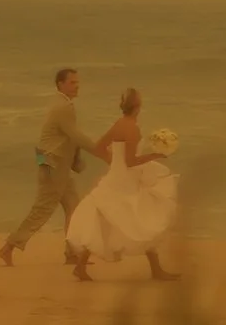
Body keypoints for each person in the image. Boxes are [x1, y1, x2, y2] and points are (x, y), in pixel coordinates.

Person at [66, 86, 181, 283]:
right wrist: (156, 155)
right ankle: (156, 270)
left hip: (116, 176)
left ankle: (80, 266)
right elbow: (131, 161)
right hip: (125, 180)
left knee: (106, 217)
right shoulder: (133, 128)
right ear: (137, 107)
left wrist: (113, 161)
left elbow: (99, 147)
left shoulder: (119, 123)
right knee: (146, 216)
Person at [0, 67, 94, 266]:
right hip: (53, 165)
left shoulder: (63, 104)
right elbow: (75, 136)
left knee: (74, 208)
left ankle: (72, 253)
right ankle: (9, 247)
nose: (77, 86)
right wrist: (101, 150)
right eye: (72, 83)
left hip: (56, 165)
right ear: (61, 84)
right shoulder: (63, 107)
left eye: (77, 82)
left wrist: (75, 161)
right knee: (42, 210)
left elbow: (66, 138)